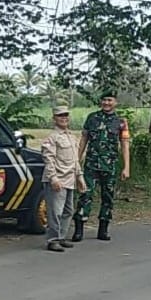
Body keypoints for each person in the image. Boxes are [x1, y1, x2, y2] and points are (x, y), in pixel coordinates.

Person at [72, 90, 130, 242]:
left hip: (109, 166)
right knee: (85, 195)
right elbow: (84, 139)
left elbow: (124, 144)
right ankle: (79, 230)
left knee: (108, 197)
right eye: (104, 100)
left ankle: (103, 230)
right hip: (91, 165)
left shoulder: (121, 122)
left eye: (110, 100)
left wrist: (126, 167)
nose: (106, 103)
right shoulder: (92, 118)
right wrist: (77, 161)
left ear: (115, 102)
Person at [40, 105, 87, 252]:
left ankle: (61, 236)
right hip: (57, 180)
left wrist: (80, 177)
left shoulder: (71, 136)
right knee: (55, 212)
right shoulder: (52, 138)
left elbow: (75, 160)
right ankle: (52, 240)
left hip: (70, 179)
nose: (64, 118)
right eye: (60, 116)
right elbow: (48, 159)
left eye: (66, 115)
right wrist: (53, 178)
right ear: (54, 119)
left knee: (68, 210)